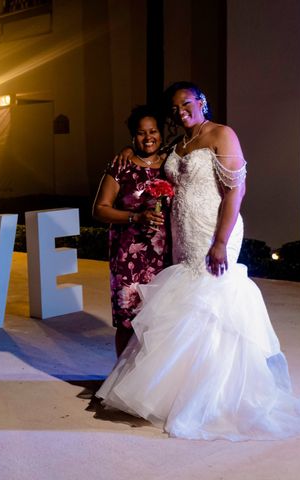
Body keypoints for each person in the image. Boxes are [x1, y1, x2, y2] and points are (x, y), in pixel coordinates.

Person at [95, 81, 300, 440]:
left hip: (213, 233)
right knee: (187, 305)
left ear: (201, 102)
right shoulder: (178, 144)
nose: (180, 111)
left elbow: (236, 190)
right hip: (183, 236)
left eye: (186, 103)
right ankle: (179, 391)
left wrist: (220, 241)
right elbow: (149, 158)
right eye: (175, 108)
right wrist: (126, 148)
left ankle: (214, 396)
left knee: (213, 304)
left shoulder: (221, 134)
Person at [92, 105, 170, 357]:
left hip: (165, 257)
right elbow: (100, 209)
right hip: (128, 258)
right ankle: (120, 382)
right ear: (132, 137)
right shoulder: (121, 166)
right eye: (140, 133)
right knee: (127, 322)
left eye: (153, 131)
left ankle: (149, 385)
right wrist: (135, 216)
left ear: (162, 132)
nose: (148, 138)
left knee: (160, 321)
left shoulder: (172, 165)